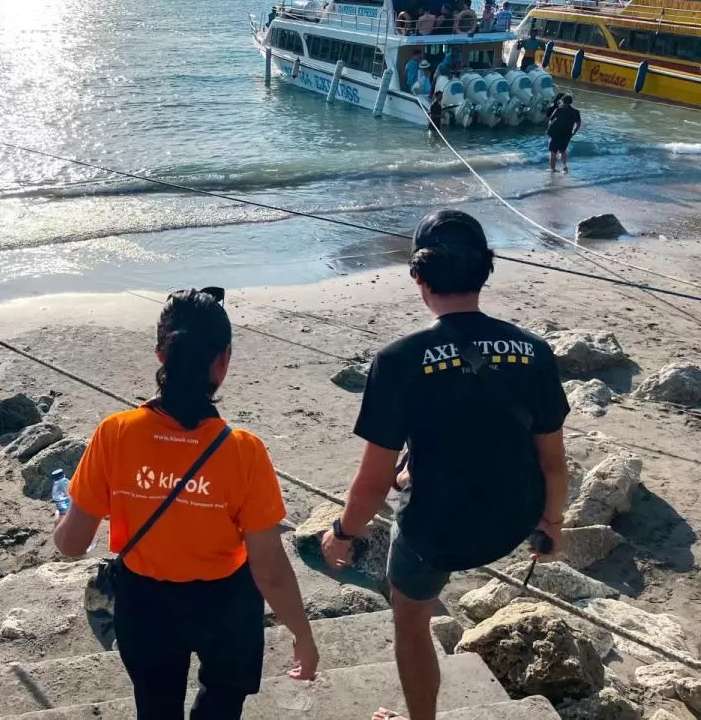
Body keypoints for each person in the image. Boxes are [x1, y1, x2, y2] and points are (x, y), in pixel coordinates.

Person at [320, 209, 570, 720]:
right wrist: (552, 524)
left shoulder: (399, 360)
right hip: (510, 523)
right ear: (486, 269)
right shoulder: (535, 352)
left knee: (408, 618)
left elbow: (370, 483)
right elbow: (553, 461)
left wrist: (342, 532)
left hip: (436, 534)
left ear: (418, 275)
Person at [54, 290, 319, 719]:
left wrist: (63, 512)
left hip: (146, 603)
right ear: (224, 360)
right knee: (221, 704)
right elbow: (268, 568)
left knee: (156, 707)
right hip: (226, 604)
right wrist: (302, 634)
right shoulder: (244, 451)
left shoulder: (115, 433)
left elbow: (71, 544)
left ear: (161, 354)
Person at [547, 94, 581, 172]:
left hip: (555, 133)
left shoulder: (559, 110)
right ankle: (564, 167)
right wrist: (573, 133)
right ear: (571, 102)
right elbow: (578, 124)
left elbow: (550, 119)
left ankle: (552, 169)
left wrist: (548, 129)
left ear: (562, 101)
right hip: (567, 134)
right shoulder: (576, 112)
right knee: (562, 151)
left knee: (553, 152)